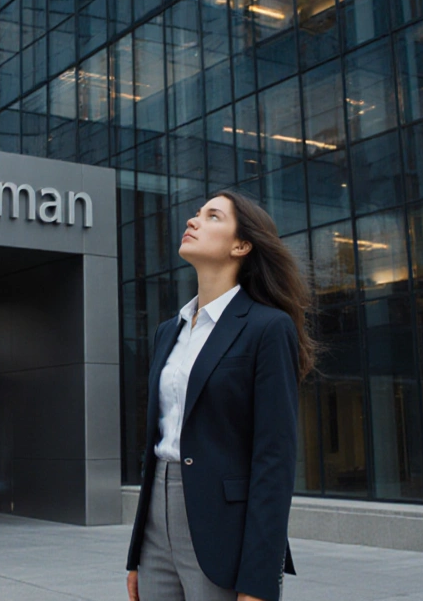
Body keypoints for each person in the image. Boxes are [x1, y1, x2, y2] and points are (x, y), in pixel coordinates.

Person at [125, 191, 316, 601]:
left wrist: (259, 578)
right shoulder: (168, 330)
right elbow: (154, 444)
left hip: (222, 530)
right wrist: (136, 554)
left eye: (212, 216)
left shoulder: (267, 328)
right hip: (157, 528)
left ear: (241, 245)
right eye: (196, 214)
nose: (193, 221)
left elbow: (274, 458)